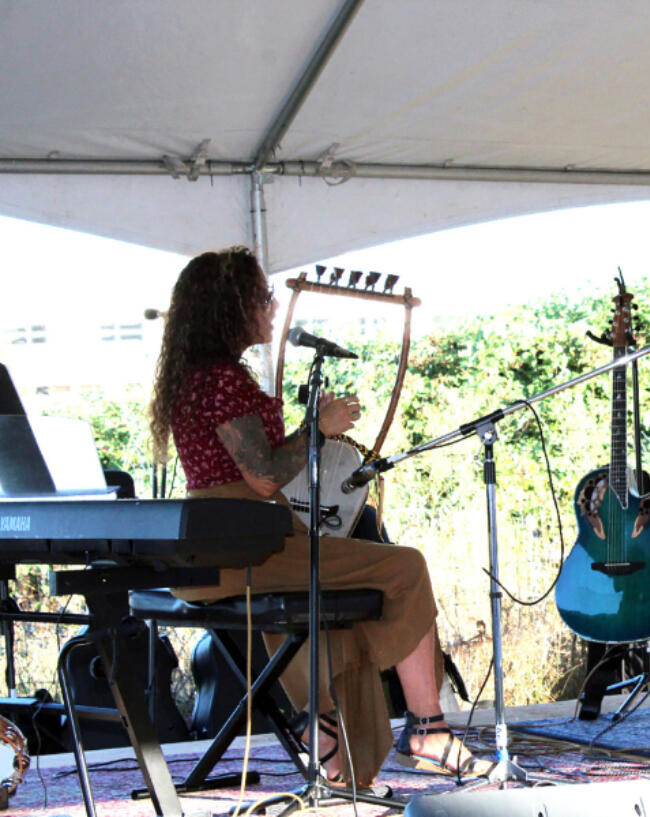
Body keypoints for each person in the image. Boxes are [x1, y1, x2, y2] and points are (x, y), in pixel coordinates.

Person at [149, 247, 486, 787]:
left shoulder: (200, 378)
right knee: (405, 567)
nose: (273, 304)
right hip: (243, 546)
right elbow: (261, 477)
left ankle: (328, 741)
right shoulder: (221, 381)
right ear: (228, 307)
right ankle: (428, 729)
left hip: (225, 545)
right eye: (262, 296)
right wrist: (319, 429)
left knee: (331, 606)